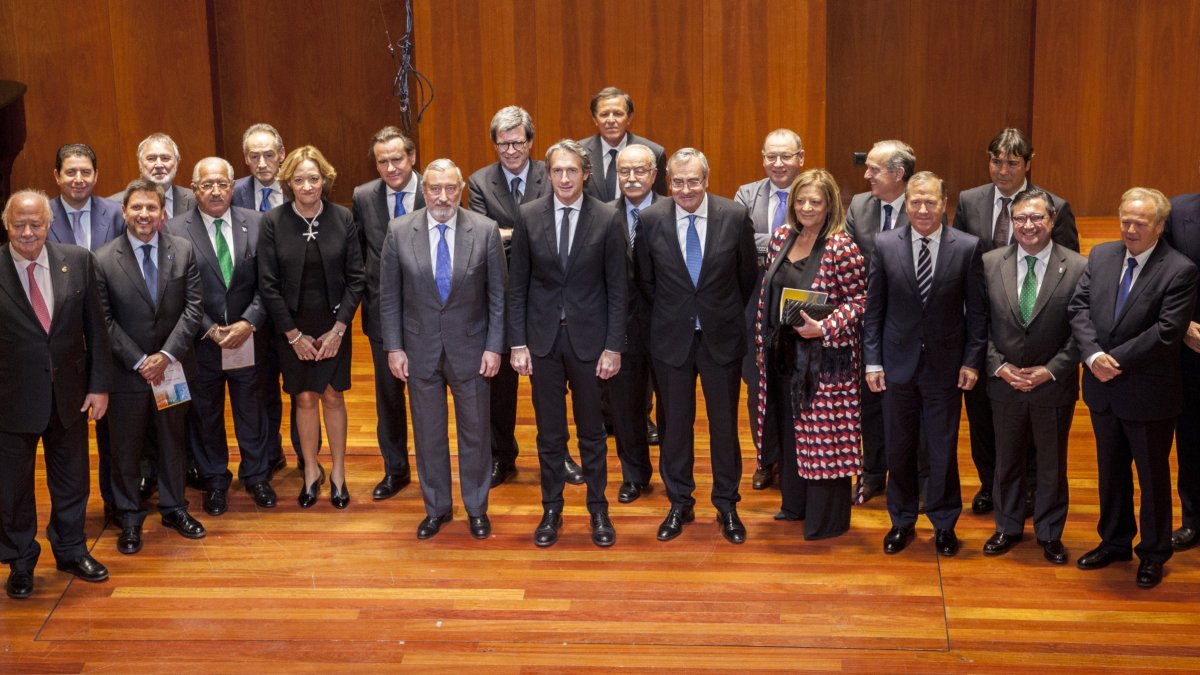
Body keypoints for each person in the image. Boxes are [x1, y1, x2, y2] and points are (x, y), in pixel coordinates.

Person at [1070, 187, 1198, 589]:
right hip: (1102, 389)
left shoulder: (1179, 270)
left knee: (1152, 479)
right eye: (1125, 219)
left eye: (1140, 223)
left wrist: (1116, 361)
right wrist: (1093, 357)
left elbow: (1166, 332)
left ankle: (1154, 552)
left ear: (1160, 226)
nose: (1130, 228)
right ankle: (1114, 541)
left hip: (1148, 393)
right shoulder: (1102, 255)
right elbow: (1078, 309)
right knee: (1110, 473)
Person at [952, 128, 1080, 515]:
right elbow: (960, 263)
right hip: (986, 335)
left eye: (1012, 163)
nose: (1002, 170)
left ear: (1028, 163)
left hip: (1036, 334)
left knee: (1033, 429)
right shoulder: (969, 200)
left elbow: (1069, 275)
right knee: (983, 419)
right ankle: (992, 484)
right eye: (996, 161)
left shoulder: (1054, 206)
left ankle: (1029, 491)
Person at [635, 148, 757, 544]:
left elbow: (746, 279)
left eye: (694, 180)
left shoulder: (734, 216)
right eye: (677, 182)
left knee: (724, 427)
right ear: (667, 182)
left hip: (721, 339)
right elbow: (645, 283)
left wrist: (717, 313)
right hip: (671, 341)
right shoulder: (651, 219)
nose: (686, 189)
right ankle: (680, 502)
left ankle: (726, 503)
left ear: (706, 179)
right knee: (675, 428)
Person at [379, 159, 505, 540]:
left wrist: (495, 346)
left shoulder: (485, 231)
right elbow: (389, 297)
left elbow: (499, 296)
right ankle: (437, 508)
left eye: (451, 188)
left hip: (473, 349)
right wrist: (395, 347)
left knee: (476, 434)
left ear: (462, 187)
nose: (443, 196)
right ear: (424, 190)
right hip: (419, 351)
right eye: (435, 188)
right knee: (429, 434)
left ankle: (477, 508)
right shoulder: (399, 231)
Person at [509, 139, 626, 548]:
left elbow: (618, 289)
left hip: (591, 343)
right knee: (550, 435)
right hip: (541, 342)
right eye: (557, 171)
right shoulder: (528, 215)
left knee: (592, 434)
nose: (563, 178)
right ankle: (551, 509)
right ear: (548, 173)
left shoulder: (609, 218)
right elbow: (517, 285)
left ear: (585, 174)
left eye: (571, 171)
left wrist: (614, 347)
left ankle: (598, 509)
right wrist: (517, 342)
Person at [863, 171, 987, 558]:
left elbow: (978, 314)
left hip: (945, 368)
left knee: (941, 449)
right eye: (915, 201)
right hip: (895, 366)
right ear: (906, 203)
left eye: (930, 202)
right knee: (898, 448)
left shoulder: (967, 247)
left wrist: (971, 361)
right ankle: (901, 521)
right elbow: (874, 310)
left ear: (943, 203)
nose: (921, 209)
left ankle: (944, 523)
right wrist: (872, 362)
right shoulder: (884, 244)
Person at [1, 190, 110, 599]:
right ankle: (20, 560)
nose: (28, 232)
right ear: (7, 225)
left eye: (36, 224)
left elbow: (96, 328)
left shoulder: (78, 261)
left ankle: (70, 549)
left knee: (72, 481)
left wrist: (99, 385)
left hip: (70, 395)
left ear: (49, 224)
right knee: (11, 488)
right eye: (18, 224)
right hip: (10, 400)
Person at [751, 169, 865, 540]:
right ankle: (794, 505)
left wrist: (826, 327)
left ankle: (825, 519)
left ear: (830, 203)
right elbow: (768, 293)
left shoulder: (841, 246)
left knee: (824, 439)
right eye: (800, 200)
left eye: (815, 201)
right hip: (784, 356)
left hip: (825, 362)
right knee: (790, 432)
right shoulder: (783, 236)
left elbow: (861, 300)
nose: (806, 207)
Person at [95, 179, 205, 554]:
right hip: (127, 373)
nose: (144, 214)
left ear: (163, 213)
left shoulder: (184, 251)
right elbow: (104, 320)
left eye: (151, 208)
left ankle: (175, 508)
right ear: (124, 212)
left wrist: (166, 356)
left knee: (173, 442)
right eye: (137, 208)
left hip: (172, 368)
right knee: (125, 449)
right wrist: (141, 361)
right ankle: (128, 517)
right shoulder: (103, 258)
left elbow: (193, 309)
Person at [980, 188, 1085, 564]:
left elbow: (1083, 332)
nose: (1028, 225)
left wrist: (1051, 370)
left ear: (1052, 220)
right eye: (1020, 218)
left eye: (1037, 218)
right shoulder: (990, 262)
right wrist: (1000, 366)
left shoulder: (1076, 266)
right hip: (1004, 383)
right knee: (1006, 461)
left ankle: (1050, 533)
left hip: (1052, 386)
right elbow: (980, 326)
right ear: (1011, 221)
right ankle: (1007, 527)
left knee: (1051, 464)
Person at [165, 158, 275, 516]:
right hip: (202, 343)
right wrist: (209, 328)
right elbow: (177, 290)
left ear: (233, 187)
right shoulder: (176, 230)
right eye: (207, 184)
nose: (215, 190)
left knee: (251, 409)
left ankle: (257, 475)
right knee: (205, 414)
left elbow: (269, 284)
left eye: (222, 184)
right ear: (194, 189)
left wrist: (249, 322)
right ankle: (214, 480)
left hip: (247, 338)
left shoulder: (257, 223)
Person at [257, 146, 364, 510]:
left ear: (325, 180)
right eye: (299, 179)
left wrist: (339, 329)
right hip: (292, 329)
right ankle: (309, 474)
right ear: (288, 182)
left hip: (335, 325)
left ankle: (337, 474)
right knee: (303, 398)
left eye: (314, 179)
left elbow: (356, 279)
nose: (307, 186)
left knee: (333, 395)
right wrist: (293, 335)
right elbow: (267, 285)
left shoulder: (342, 218)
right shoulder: (273, 222)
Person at [466, 105, 558, 487]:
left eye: (517, 142)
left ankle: (557, 455)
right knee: (500, 387)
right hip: (499, 299)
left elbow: (555, 231)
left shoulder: (551, 175)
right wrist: (522, 235)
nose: (510, 151)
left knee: (549, 386)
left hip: (547, 296)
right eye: (503, 144)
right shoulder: (478, 182)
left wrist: (508, 234)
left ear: (531, 141)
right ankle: (502, 456)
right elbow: (482, 238)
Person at [47, 143, 125, 519]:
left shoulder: (116, 212)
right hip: (61, 339)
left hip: (112, 331)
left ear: (96, 175)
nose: (79, 179)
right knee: (70, 435)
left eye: (86, 172)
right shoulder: (40, 216)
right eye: (71, 172)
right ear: (57, 176)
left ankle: (119, 502)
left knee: (117, 429)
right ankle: (73, 516)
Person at [844, 140, 916, 503]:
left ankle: (909, 477)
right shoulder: (859, 204)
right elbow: (849, 260)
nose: (867, 174)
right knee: (868, 402)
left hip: (909, 325)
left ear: (898, 174)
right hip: (867, 321)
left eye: (874, 169)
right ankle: (872, 473)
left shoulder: (922, 205)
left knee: (907, 405)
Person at [352, 126, 421, 501]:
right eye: (383, 161)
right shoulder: (363, 196)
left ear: (412, 157)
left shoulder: (435, 189)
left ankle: (432, 469)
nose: (391, 167)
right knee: (389, 399)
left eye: (398, 159)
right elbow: (360, 256)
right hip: (383, 316)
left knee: (427, 398)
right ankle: (395, 469)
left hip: (430, 317)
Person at [230, 123, 302, 478]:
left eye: (269, 154)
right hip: (250, 312)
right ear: (245, 159)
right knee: (258, 388)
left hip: (293, 309)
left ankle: (306, 455)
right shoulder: (233, 193)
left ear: (282, 153)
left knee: (300, 386)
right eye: (254, 156)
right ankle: (268, 455)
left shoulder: (299, 187)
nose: (262, 163)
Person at [736, 128, 806, 491]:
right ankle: (765, 459)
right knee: (756, 385)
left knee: (798, 381)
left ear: (801, 158)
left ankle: (798, 459)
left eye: (786, 156)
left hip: (802, 304)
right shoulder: (746, 194)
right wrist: (791, 238)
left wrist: (764, 246)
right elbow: (739, 242)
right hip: (755, 304)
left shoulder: (813, 192)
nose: (778, 164)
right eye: (771, 157)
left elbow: (821, 237)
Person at [607, 143, 661, 503]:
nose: (632, 177)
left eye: (640, 170)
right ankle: (633, 474)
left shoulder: (675, 211)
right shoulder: (603, 215)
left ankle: (675, 474)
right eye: (625, 171)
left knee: (673, 407)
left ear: (654, 174)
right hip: (621, 328)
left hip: (667, 327)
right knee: (625, 408)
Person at [1163, 181, 1200, 553]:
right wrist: (1183, 325)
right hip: (1192, 347)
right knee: (1191, 436)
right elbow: (1163, 274)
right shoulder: (1178, 211)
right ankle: (1193, 519)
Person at [578, 87, 667, 201]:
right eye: (604, 114)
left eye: (618, 114)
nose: (610, 120)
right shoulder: (579, 153)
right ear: (595, 119)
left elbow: (659, 202)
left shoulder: (654, 152)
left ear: (629, 118)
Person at [109, 133, 196, 219]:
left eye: (165, 158)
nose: (159, 165)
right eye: (151, 159)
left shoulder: (196, 201)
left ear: (177, 163)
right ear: (140, 165)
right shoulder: (114, 205)